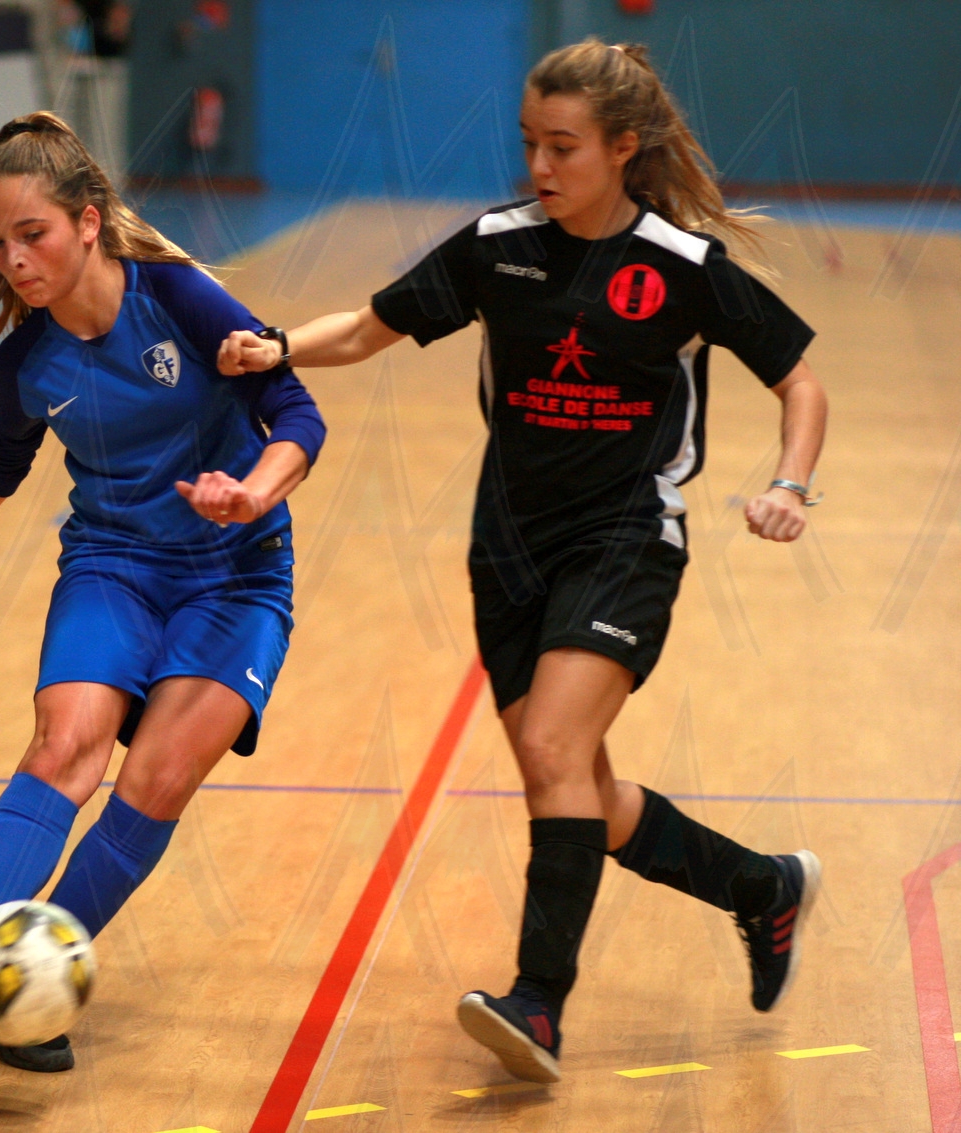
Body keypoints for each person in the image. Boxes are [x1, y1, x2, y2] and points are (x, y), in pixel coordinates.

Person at [217, 40, 826, 1084]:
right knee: (577, 783)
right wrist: (277, 345)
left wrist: (790, 484)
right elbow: (366, 329)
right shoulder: (497, 248)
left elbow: (800, 380)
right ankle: (760, 887)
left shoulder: (680, 268)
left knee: (551, 747)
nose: (540, 165)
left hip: (625, 537)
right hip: (505, 547)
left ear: (622, 148)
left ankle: (537, 1003)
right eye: (529, 143)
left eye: (563, 146)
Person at [0, 111, 325, 1073]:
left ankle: (21, 986)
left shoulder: (179, 297)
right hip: (113, 565)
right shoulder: (28, 361)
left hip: (236, 575)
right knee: (66, 744)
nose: (13, 260)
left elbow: (296, 410)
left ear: (89, 222)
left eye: (33, 234)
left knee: (157, 779)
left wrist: (254, 491)